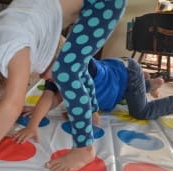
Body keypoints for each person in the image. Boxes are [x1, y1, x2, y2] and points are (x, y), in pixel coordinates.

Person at [0, 0, 127, 171]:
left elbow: (12, 106)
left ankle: (84, 148)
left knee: (67, 71)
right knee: (75, 65)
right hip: (62, 8)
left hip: (104, 3)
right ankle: (91, 113)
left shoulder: (17, 52)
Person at [12, 57, 172, 144]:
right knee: (123, 95)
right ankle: (151, 84)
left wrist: (87, 114)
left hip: (127, 74)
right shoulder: (57, 70)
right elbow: (50, 96)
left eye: (46, 72)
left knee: (140, 112)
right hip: (116, 78)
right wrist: (34, 121)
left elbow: (91, 113)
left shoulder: (80, 69)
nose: (43, 77)